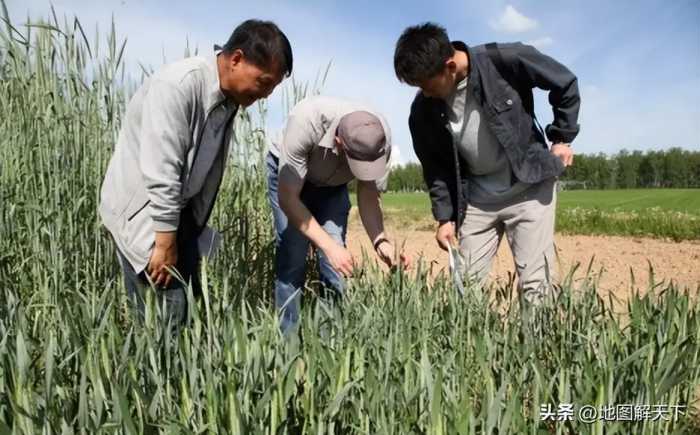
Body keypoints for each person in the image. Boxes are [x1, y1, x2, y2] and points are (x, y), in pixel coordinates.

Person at [99, 19, 292, 325]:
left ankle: (170, 370)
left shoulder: (228, 100)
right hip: (143, 216)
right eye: (264, 82)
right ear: (236, 59)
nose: (266, 95)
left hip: (177, 217)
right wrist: (164, 243)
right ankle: (158, 373)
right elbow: (163, 170)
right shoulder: (178, 86)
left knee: (188, 313)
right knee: (168, 317)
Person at [393, 23, 580, 305]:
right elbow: (435, 168)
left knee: (536, 287)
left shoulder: (504, 60)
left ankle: (536, 348)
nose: (424, 93)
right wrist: (445, 218)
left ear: (449, 66)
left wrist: (562, 138)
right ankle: (472, 348)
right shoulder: (422, 110)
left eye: (427, 85)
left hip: (529, 186)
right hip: (478, 199)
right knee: (464, 288)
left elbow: (564, 81)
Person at [267, 95, 410, 334]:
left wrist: (381, 241)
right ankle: (287, 344)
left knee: (335, 265)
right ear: (338, 142)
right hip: (290, 179)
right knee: (293, 253)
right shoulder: (306, 121)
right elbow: (289, 199)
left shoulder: (378, 137)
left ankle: (330, 346)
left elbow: (368, 191)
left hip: (333, 186)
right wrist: (329, 247)